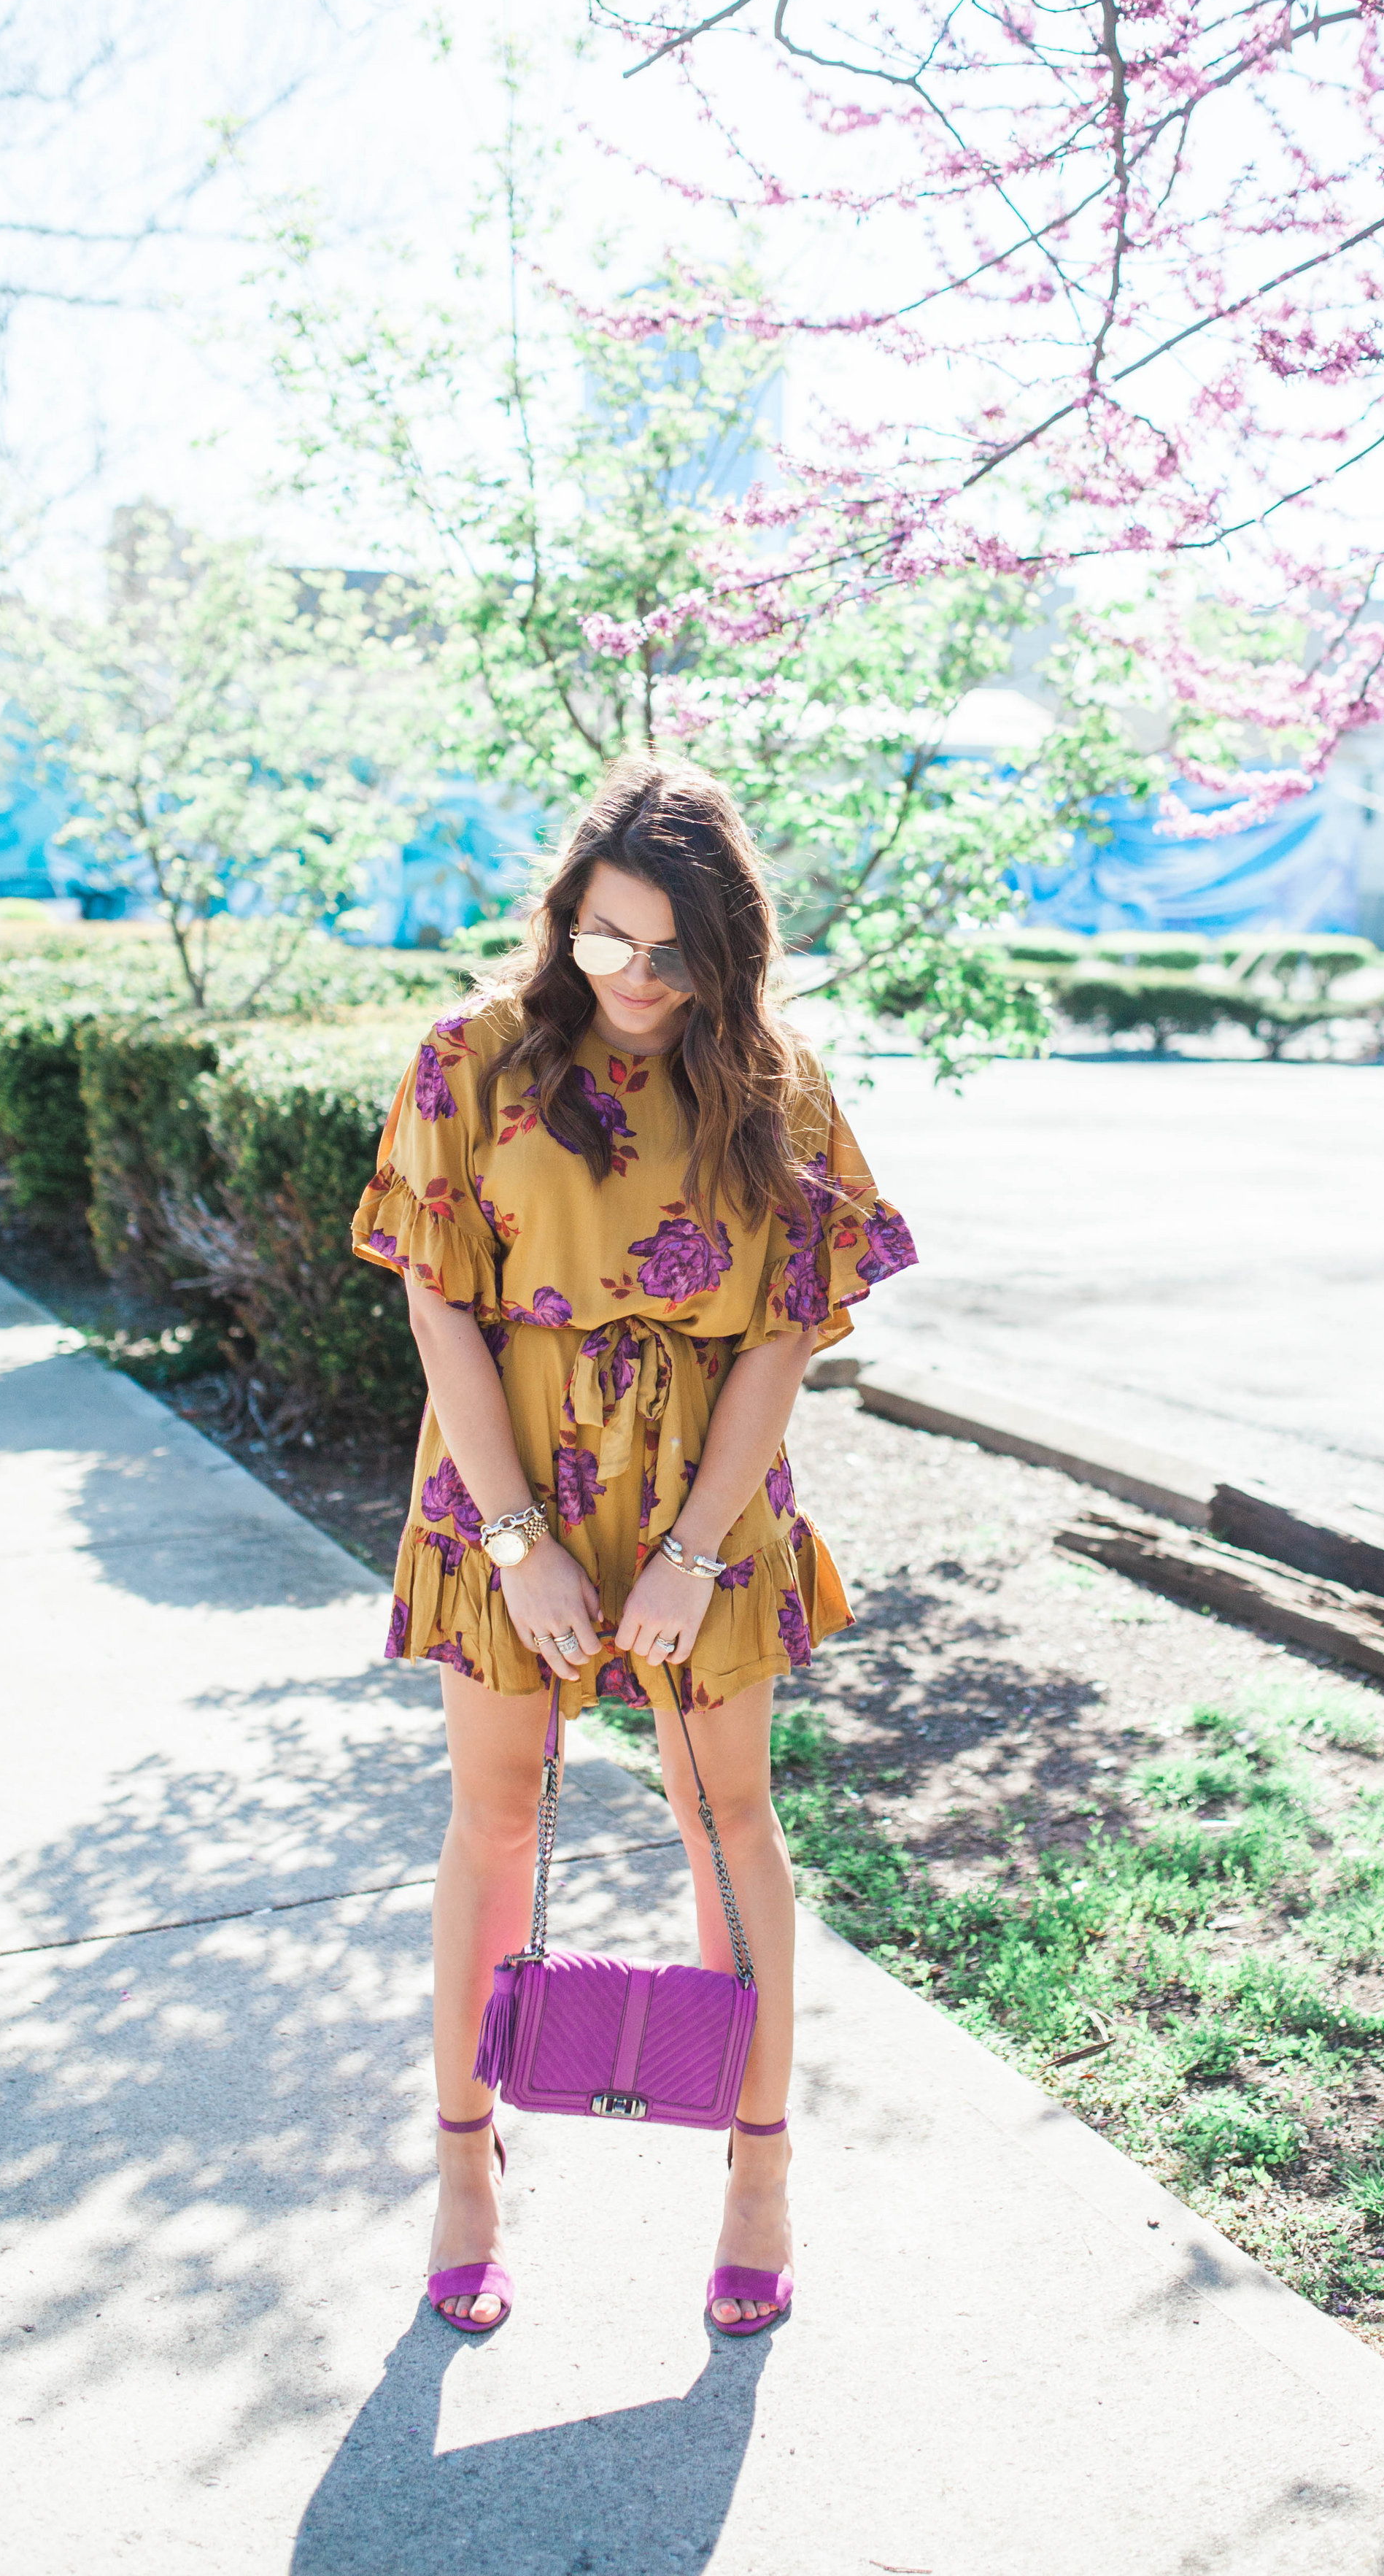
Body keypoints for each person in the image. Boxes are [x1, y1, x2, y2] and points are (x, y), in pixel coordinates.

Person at [351, 756, 916, 2337]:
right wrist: (521, 1538)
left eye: (674, 953)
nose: (637, 979)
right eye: (608, 938)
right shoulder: (468, 1061)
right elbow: (435, 1303)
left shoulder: (774, 1083)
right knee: (499, 1812)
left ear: (725, 954)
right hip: (504, 1469)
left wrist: (687, 1549)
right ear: (565, 915)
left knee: (723, 1812)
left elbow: (780, 1341)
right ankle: (466, 2163)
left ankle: (756, 2173)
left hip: (705, 1492)